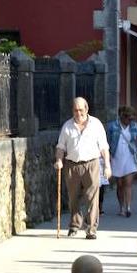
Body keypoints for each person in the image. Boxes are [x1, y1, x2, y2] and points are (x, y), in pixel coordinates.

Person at [54, 98, 111, 240]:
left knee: (92, 197)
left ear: (86, 109)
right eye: (75, 110)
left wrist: (107, 166)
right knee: (73, 198)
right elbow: (61, 147)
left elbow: (104, 147)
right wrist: (59, 160)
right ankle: (74, 225)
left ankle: (91, 228)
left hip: (92, 164)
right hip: (72, 165)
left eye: (81, 110)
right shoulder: (67, 126)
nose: (78, 113)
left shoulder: (96, 124)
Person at [105, 106, 137, 218]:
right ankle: (121, 206)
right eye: (128, 118)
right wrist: (107, 155)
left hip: (130, 156)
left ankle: (128, 208)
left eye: (132, 119)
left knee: (128, 183)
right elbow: (107, 141)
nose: (130, 121)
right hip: (116, 156)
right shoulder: (112, 126)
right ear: (122, 116)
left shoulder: (135, 126)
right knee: (119, 184)